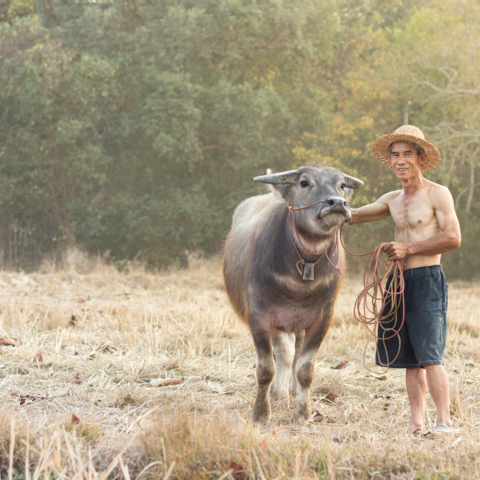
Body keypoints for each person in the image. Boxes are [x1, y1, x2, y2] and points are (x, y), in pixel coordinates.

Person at [349, 125, 461, 434]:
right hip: (398, 282)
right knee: (409, 358)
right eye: (394, 155)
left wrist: (409, 247)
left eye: (407, 154)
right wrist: (330, 206)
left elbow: (453, 238)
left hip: (427, 279)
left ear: (420, 158)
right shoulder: (391, 199)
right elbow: (355, 214)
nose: (400, 161)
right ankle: (416, 422)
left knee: (429, 354)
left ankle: (443, 421)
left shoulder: (438, 193)